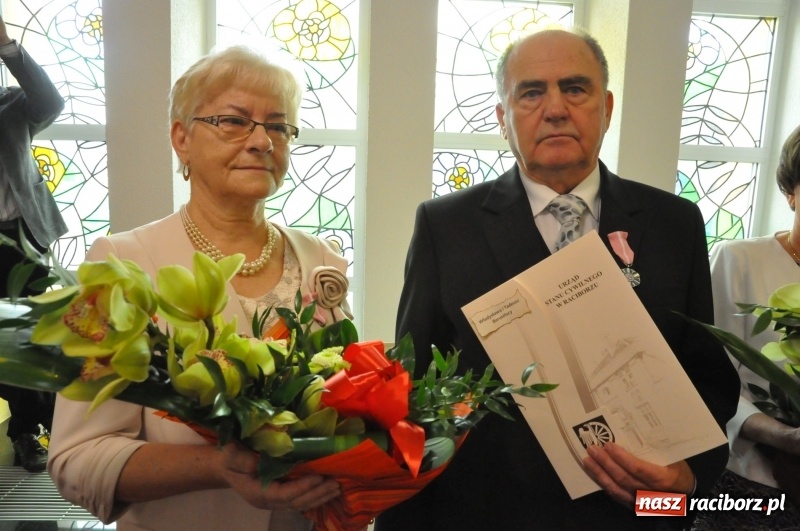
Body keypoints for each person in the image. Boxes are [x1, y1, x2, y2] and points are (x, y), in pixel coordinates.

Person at [376, 28, 739, 530]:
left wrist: (686, 484)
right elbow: (414, 394)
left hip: (629, 516)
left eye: (575, 88)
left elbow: (707, 381)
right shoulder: (445, 226)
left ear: (606, 107)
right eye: (531, 92)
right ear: (503, 118)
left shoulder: (674, 223)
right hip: (484, 516)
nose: (555, 108)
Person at [47, 45, 349, 531]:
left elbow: (345, 410)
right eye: (234, 121)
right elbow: (79, 457)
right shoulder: (120, 266)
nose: (262, 141)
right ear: (182, 139)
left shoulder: (321, 262)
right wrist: (219, 469)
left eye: (278, 125)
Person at [692, 124, 800, 530]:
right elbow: (709, 380)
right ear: (790, 191)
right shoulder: (738, 260)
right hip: (747, 478)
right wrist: (783, 438)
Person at [0, 14, 66, 474]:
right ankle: (34, 424)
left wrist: (8, 48)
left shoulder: (12, 105)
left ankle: (36, 427)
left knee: (29, 336)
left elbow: (51, 100)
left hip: (21, 237)